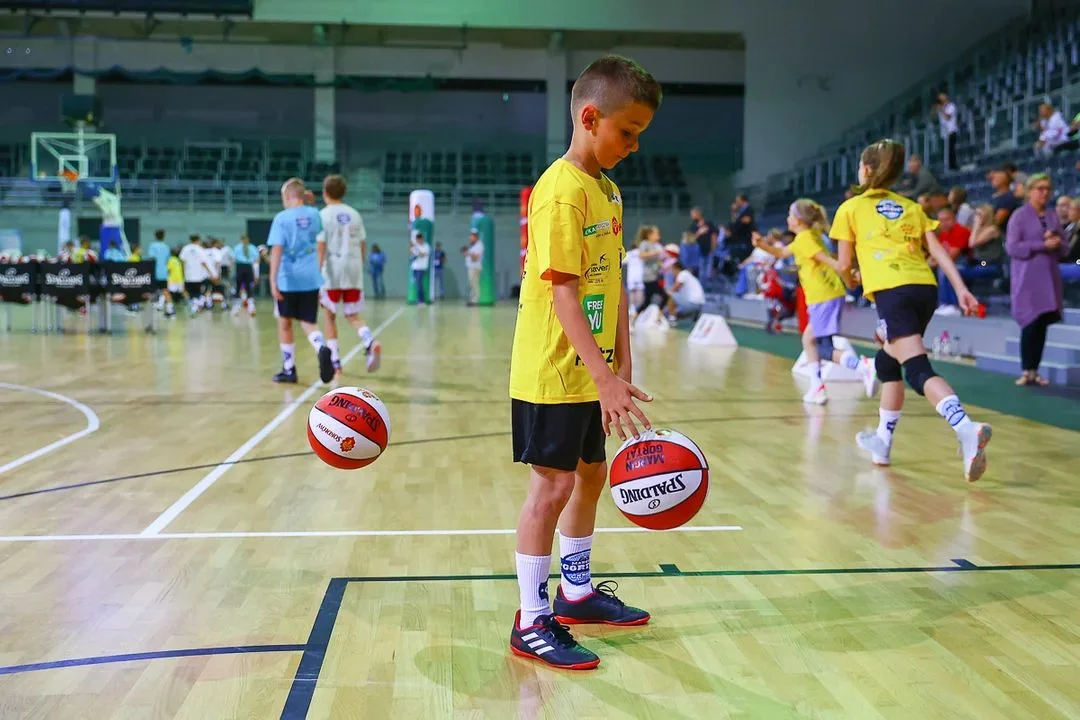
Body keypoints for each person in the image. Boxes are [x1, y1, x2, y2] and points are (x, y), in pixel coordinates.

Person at [507, 54, 661, 671]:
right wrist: (601, 375)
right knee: (554, 485)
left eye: (641, 136)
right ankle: (532, 618)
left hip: (592, 370)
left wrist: (620, 366)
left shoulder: (609, 190)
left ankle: (574, 592)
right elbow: (565, 290)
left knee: (591, 477)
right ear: (590, 117)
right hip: (551, 368)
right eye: (628, 132)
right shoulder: (561, 190)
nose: (634, 145)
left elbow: (612, 284)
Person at [831, 139, 992, 482]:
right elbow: (941, 252)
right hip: (925, 289)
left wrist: (851, 279)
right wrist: (961, 290)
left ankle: (965, 428)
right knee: (888, 364)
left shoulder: (850, 208)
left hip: (893, 292)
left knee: (918, 370)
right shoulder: (911, 207)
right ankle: (882, 442)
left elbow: (844, 265)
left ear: (867, 170)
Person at [750, 199, 877, 404]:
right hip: (827, 295)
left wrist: (851, 273)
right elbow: (782, 252)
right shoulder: (809, 236)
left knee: (824, 348)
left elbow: (829, 261)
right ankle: (817, 387)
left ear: (798, 220)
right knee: (809, 340)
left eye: (790, 215)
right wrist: (761, 244)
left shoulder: (805, 239)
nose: (787, 219)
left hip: (822, 296)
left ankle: (863, 366)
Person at [268, 177, 334, 385]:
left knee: (285, 322)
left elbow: (277, 251)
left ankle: (289, 369)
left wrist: (272, 280)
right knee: (308, 322)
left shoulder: (281, 218)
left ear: (287, 197)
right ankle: (321, 347)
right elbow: (312, 229)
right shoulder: (315, 214)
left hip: (288, 279)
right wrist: (310, 202)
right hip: (310, 277)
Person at [1006, 173, 1068, 386]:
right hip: (1027, 279)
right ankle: (1026, 370)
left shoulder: (1052, 216)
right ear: (1030, 191)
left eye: (1047, 188)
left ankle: (1035, 370)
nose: (1044, 193)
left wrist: (1057, 242)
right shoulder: (1019, 216)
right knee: (1030, 323)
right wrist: (1042, 245)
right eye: (1040, 188)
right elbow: (1013, 247)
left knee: (1042, 325)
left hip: (1049, 278)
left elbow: (1065, 248)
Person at [318, 174, 380, 376]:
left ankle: (336, 363)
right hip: (353, 268)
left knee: (329, 315)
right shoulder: (355, 214)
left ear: (325, 193)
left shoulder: (324, 215)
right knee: (352, 315)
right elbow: (363, 244)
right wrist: (359, 264)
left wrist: (317, 272)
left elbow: (321, 245)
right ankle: (369, 341)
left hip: (333, 269)